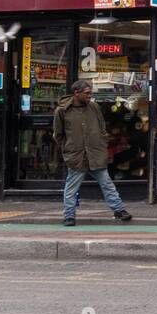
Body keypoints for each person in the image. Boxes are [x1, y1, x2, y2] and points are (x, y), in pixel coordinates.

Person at [54, 79, 132, 227]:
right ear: (76, 93)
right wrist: (68, 149)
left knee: (107, 183)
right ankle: (69, 216)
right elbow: (58, 134)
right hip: (77, 155)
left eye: (91, 93)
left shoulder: (94, 107)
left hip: (95, 154)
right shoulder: (62, 111)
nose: (90, 96)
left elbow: (102, 128)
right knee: (72, 187)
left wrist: (102, 144)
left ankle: (119, 209)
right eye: (87, 93)